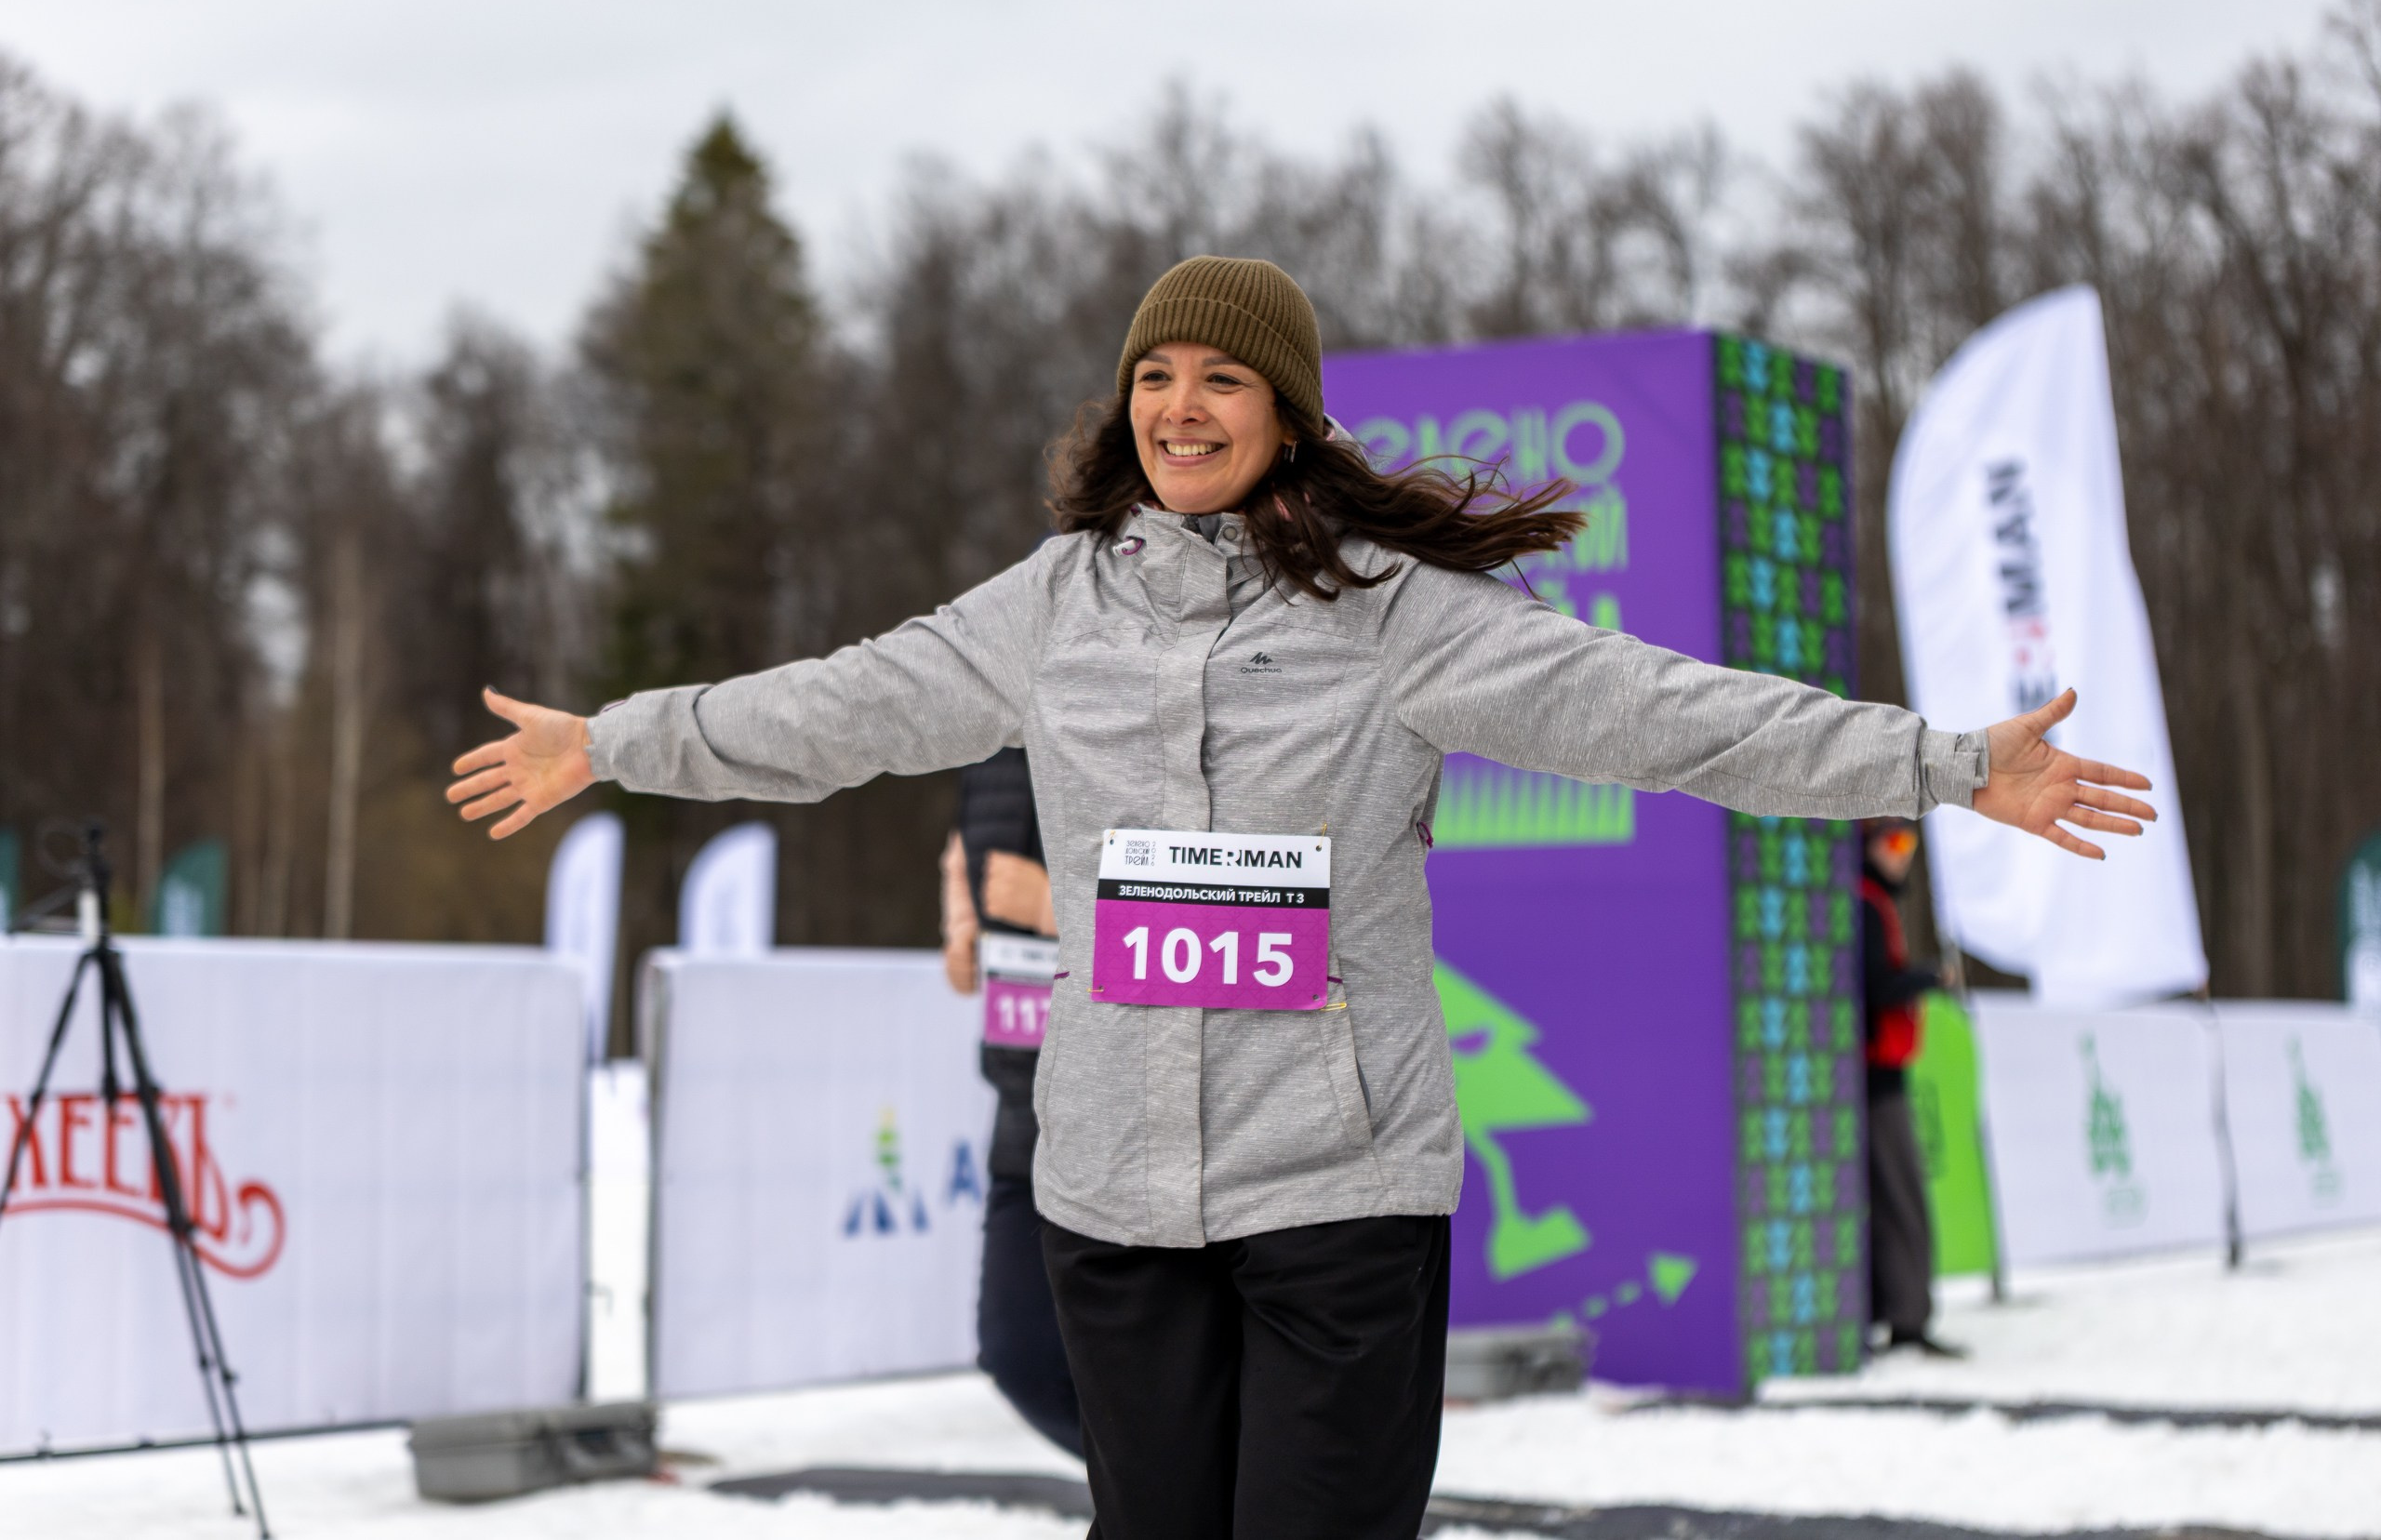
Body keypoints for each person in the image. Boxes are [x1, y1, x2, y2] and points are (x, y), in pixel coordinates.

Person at [447, 255, 2157, 1540]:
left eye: (1221, 378)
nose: (1180, 406)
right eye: (1155, 374)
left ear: (1286, 412)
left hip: (1336, 1184)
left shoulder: (1392, 615)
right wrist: (611, 741)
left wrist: (1944, 762)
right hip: (1115, 1192)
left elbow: (1664, 713)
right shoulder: (1053, 606)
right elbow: (840, 707)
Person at [939, 747, 1082, 1452]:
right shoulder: (991, 718)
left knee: (1161, 1371)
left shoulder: (1131, 697)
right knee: (1021, 1356)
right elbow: (970, 845)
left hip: (1128, 1108)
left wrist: (1055, 907)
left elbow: (1215, 886)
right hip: (1021, 1100)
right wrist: (960, 916)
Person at [1859, 816, 1962, 1359]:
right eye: (1893, 841)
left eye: (1909, 842)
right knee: (1901, 1199)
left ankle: (1892, 1314)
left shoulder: (1869, 900)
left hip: (1872, 1077)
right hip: (1874, 1081)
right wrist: (1929, 977)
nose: (1903, 854)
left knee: (1886, 1200)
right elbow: (1875, 986)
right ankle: (1906, 1320)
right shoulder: (1864, 903)